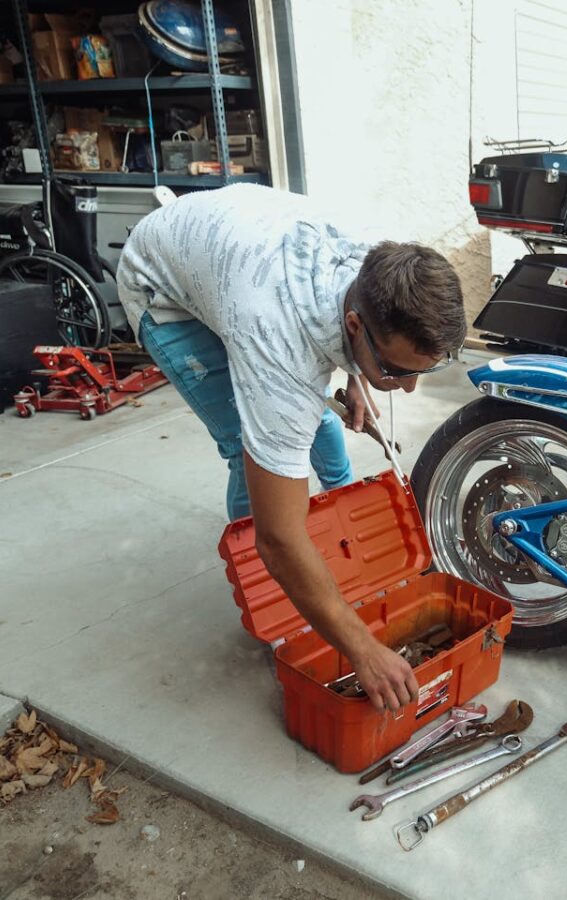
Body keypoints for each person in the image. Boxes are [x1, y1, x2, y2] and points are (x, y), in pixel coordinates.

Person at [117, 184, 467, 713]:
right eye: (398, 371)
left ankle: (326, 560)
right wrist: (361, 650)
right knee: (250, 447)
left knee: (314, 429)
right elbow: (279, 536)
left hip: (232, 257)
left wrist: (363, 375)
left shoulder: (383, 266)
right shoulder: (277, 347)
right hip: (162, 287)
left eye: (422, 371)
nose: (409, 388)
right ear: (355, 325)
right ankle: (277, 603)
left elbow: (357, 349)